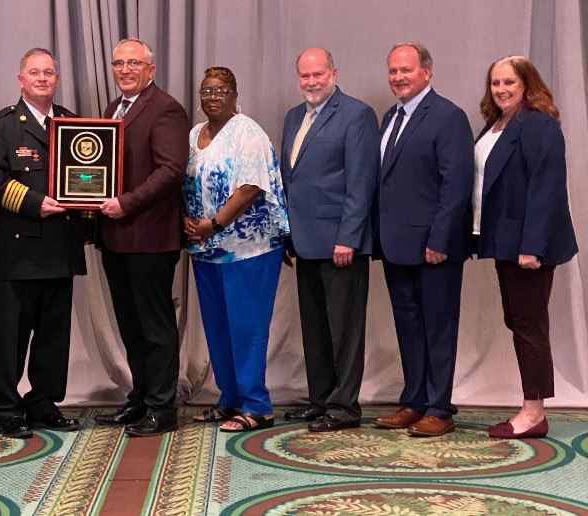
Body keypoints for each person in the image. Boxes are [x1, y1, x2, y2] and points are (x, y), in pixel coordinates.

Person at [0, 48, 87, 439]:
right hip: (16, 250)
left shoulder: (75, 124)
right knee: (11, 334)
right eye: (34, 73)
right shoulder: (0, 127)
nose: (42, 78)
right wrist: (35, 203)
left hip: (60, 246)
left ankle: (44, 403)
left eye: (49, 73)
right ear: (20, 80)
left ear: (56, 79)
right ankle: (6, 406)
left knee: (54, 335)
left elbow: (90, 174)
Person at [473, 56, 577, 439]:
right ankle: (532, 407)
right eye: (495, 82)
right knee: (518, 322)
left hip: (527, 246)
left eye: (509, 83)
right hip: (504, 241)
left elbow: (545, 189)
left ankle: (534, 413)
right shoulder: (498, 123)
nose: (501, 89)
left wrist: (531, 246)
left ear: (527, 84)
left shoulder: (536, 124)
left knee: (530, 327)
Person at [373, 42, 473, 437]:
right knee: (409, 326)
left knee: (438, 326)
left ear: (426, 73)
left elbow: (456, 187)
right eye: (393, 70)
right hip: (396, 244)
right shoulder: (389, 118)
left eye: (406, 70)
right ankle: (414, 401)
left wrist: (440, 239)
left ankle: (440, 407)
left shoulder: (448, 117)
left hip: (434, 248)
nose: (398, 77)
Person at [182, 67, 289, 432]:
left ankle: (257, 405)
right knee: (218, 327)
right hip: (207, 249)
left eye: (221, 90)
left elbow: (249, 187)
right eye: (207, 91)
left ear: (234, 94)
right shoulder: (196, 133)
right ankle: (230, 398)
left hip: (249, 248)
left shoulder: (248, 132)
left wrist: (213, 223)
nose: (213, 97)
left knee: (247, 327)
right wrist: (189, 222)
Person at [95, 38, 190, 437]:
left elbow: (171, 170)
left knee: (155, 326)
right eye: (119, 63)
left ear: (151, 69)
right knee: (130, 325)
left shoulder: (166, 109)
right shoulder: (112, 109)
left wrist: (126, 203)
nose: (125, 70)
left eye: (134, 63)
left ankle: (162, 407)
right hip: (116, 236)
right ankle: (140, 397)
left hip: (151, 236)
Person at [280, 48, 379, 432]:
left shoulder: (356, 115)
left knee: (344, 330)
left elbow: (360, 183)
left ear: (334, 73)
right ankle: (320, 399)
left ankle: (344, 407)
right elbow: (293, 179)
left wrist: (349, 238)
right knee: (315, 328)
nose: (311, 82)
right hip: (304, 241)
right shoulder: (293, 117)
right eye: (304, 76)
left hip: (341, 243)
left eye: (318, 74)